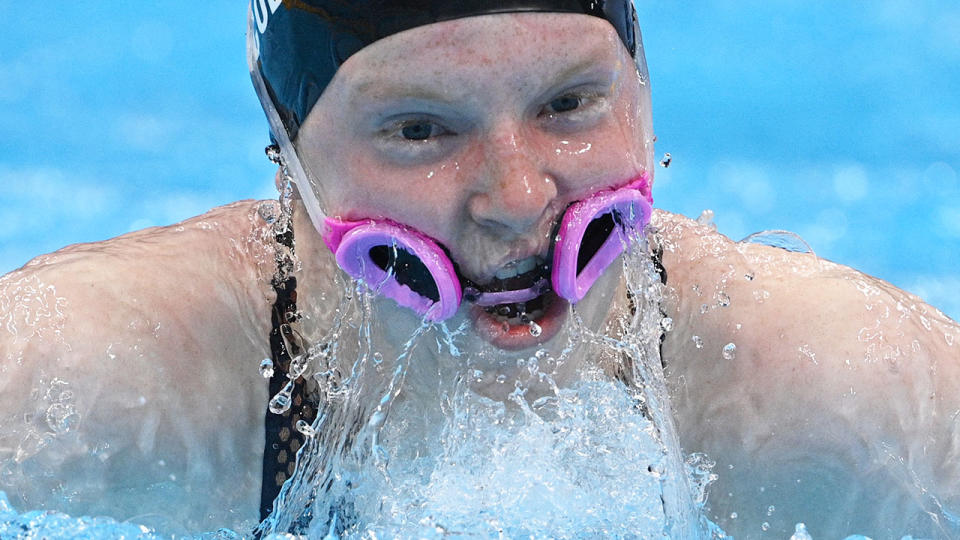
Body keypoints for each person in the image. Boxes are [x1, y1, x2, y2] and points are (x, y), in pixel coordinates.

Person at [0, 1, 957, 538]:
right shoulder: (96, 383)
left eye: (570, 104)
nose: (514, 193)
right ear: (286, 151)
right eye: (419, 128)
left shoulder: (830, 389)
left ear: (645, 93)